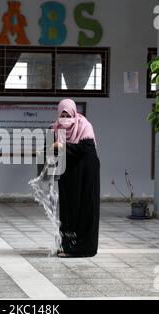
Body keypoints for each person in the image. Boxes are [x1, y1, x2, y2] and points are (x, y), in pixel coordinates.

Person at [51, 99, 100, 258]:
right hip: (68, 175)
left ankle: (84, 248)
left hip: (86, 174)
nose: (65, 118)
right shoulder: (55, 129)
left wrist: (62, 146)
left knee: (85, 209)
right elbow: (51, 152)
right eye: (62, 114)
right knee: (68, 210)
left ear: (74, 113)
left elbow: (87, 149)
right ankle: (68, 246)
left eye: (68, 114)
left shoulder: (85, 126)